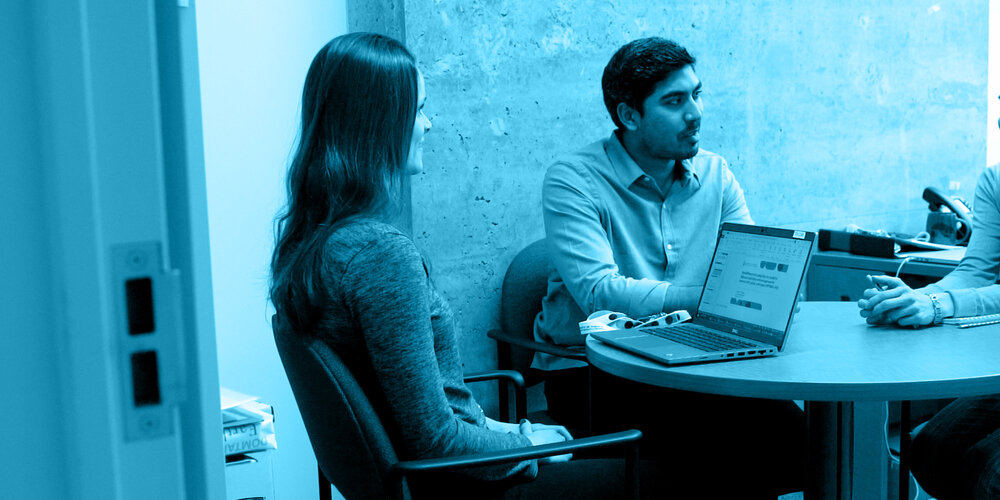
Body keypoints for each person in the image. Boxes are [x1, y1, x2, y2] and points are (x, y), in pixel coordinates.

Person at [268, 32, 664, 499]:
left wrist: (514, 432)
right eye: (418, 109)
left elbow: (429, 410)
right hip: (468, 486)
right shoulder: (379, 256)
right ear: (377, 123)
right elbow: (434, 440)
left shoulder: (316, 245)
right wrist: (525, 446)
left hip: (450, 472)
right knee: (676, 475)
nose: (429, 124)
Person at [532, 36, 804, 498]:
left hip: (698, 360)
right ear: (629, 115)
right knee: (721, 450)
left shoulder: (716, 174)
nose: (695, 113)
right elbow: (599, 293)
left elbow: (748, 264)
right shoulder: (572, 179)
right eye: (675, 102)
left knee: (793, 436)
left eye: (697, 95)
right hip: (597, 371)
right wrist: (701, 297)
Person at [859, 159, 1000, 498]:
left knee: (989, 474)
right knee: (928, 451)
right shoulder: (995, 179)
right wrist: (910, 299)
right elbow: (976, 271)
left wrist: (941, 305)